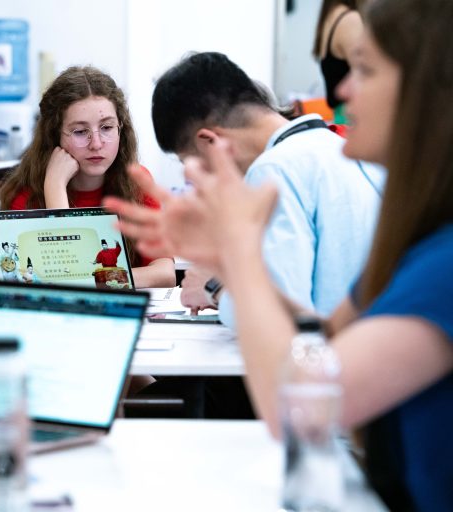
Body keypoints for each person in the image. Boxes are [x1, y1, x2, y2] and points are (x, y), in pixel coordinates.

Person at [106, 0, 453, 508]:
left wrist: (236, 264)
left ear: (423, 93)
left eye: (365, 70)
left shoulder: (441, 265)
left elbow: (299, 404)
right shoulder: (418, 237)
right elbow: (318, 336)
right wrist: (229, 264)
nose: (340, 91)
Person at [135, 51, 382, 329]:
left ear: (210, 142)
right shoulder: (343, 150)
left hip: (324, 350)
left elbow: (277, 318)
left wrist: (214, 289)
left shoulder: (273, 171)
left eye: (191, 165)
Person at [0, 66, 175, 288]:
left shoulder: (136, 182)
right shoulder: (26, 194)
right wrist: (55, 186)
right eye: (80, 132)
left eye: (107, 127)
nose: (97, 144)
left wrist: (98, 279)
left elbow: (164, 274)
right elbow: (64, 279)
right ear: (54, 136)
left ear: (121, 129)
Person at [314, 0, 365, 123]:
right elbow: (365, 76)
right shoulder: (350, 20)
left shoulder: (330, 16)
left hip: (342, 119)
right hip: (352, 119)